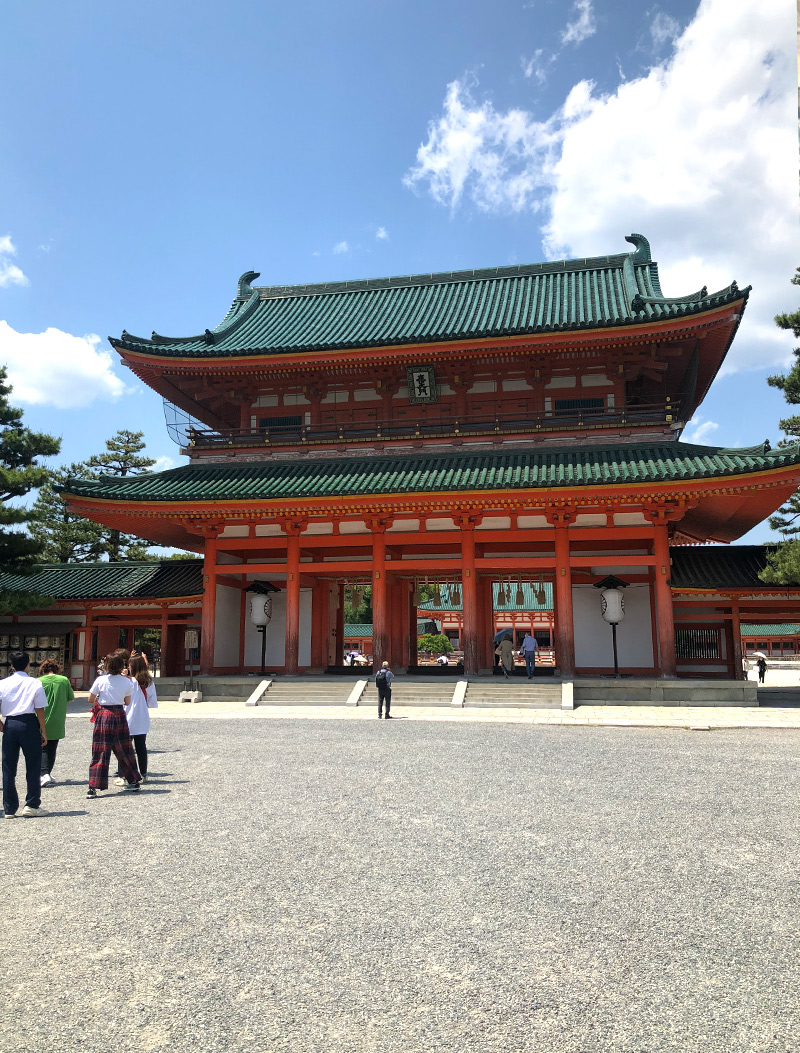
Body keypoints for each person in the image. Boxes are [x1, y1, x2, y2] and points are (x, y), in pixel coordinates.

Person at [86, 652, 141, 799]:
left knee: (100, 750)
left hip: (104, 714)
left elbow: (90, 698)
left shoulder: (101, 680)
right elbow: (127, 702)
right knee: (124, 748)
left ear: (107, 666)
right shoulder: (126, 682)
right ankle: (134, 780)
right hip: (119, 714)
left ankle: (93, 786)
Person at [0, 652, 49, 818]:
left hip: (10, 723)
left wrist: (2, 726)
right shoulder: (34, 683)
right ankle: (32, 804)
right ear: (28, 664)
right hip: (28, 723)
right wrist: (43, 730)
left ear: (11, 665)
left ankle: (9, 808)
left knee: (8, 767)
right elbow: (39, 708)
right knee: (33, 765)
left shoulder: (3, 684)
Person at [115, 653, 157, 784]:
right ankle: (143, 773)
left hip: (126, 716)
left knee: (124, 748)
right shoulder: (148, 682)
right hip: (141, 717)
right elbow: (152, 702)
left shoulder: (127, 681)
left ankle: (123, 775)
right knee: (141, 747)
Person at [38, 658, 74, 787]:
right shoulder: (64, 680)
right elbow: (71, 698)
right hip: (58, 717)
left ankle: (44, 773)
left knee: (43, 748)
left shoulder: (38, 681)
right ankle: (47, 772)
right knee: (53, 746)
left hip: (42, 717)